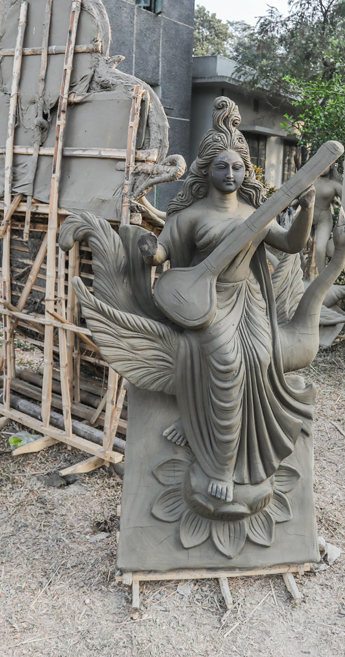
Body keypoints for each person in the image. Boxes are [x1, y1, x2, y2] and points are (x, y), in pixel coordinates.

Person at [138, 97, 316, 503]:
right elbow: (163, 252)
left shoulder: (257, 213)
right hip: (207, 304)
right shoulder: (191, 215)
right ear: (207, 169)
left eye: (237, 167)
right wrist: (149, 250)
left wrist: (306, 208)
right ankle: (219, 464)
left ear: (246, 172)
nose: (231, 174)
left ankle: (210, 426)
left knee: (262, 358)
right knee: (229, 363)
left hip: (249, 302)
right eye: (222, 166)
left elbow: (291, 243)